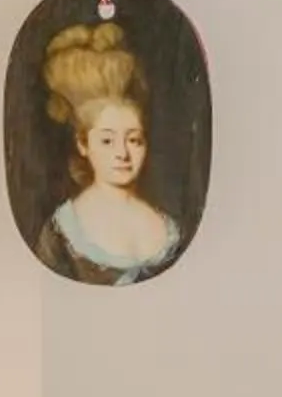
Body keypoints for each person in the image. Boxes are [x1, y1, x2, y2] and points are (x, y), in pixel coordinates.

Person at [32, 20, 182, 285]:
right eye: (107, 141)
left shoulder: (168, 230)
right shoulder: (61, 236)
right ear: (83, 144)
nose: (122, 153)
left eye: (133, 140)